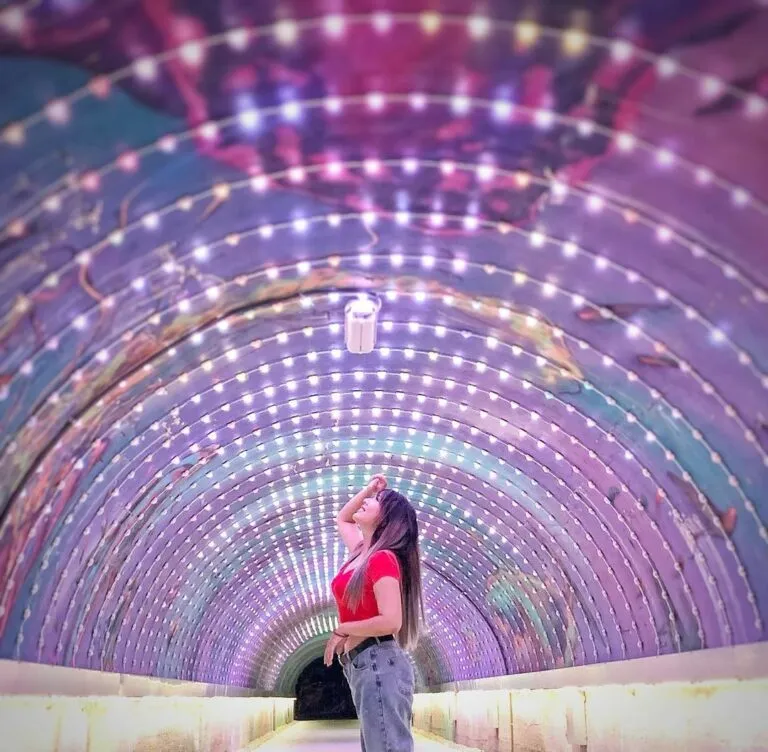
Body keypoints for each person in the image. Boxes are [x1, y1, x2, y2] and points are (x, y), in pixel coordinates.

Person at [325, 474, 425, 752]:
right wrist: (369, 488)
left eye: (376, 501)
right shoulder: (360, 552)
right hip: (364, 666)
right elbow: (343, 518)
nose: (367, 501)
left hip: (379, 661)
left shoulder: (383, 558)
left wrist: (343, 628)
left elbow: (391, 621)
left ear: (387, 517)